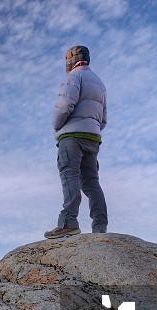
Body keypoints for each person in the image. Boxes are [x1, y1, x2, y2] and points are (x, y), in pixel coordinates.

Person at [44, 45, 108, 239]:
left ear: (71, 60)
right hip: (93, 137)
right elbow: (103, 119)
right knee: (91, 182)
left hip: (72, 136)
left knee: (69, 175)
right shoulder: (99, 83)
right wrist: (92, 128)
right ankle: (100, 226)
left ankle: (68, 222)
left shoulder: (73, 77)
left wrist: (56, 127)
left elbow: (64, 106)